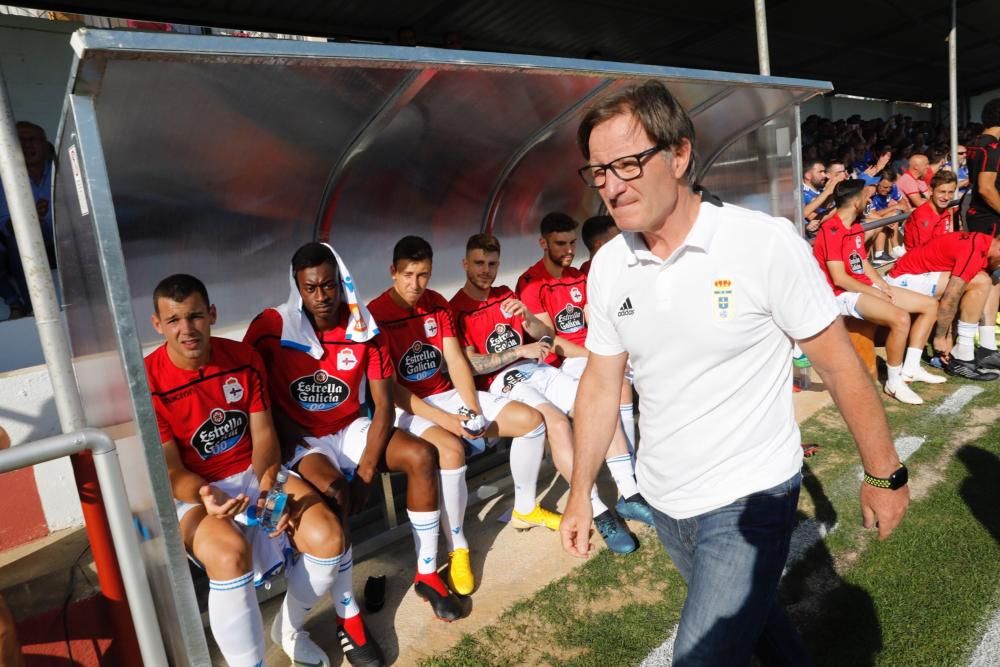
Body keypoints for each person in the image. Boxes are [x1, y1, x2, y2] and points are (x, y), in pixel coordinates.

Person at [561, 80, 909, 666]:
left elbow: (838, 363)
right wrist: (579, 494)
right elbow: (599, 383)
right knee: (763, 631)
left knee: (700, 657)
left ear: (679, 155)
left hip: (751, 496)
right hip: (667, 497)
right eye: (597, 172)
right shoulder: (609, 265)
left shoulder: (762, 243)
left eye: (626, 164)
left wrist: (883, 474)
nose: (612, 187)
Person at [244, 241, 459, 632]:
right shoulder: (270, 327)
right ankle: (348, 613)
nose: (322, 296)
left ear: (341, 283)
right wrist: (280, 433)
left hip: (348, 427)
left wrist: (366, 471)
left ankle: (427, 574)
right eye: (311, 288)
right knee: (335, 492)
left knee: (423, 456)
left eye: (329, 285)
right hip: (304, 439)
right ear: (297, 286)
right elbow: (248, 385)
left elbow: (382, 405)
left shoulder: (363, 326)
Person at [145, 274, 356, 667]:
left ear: (211, 314)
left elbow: (263, 437)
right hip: (194, 491)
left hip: (251, 472)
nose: (186, 329)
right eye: (173, 320)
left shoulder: (243, 358)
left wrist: (268, 487)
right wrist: (205, 495)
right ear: (158, 325)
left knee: (328, 538)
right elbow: (171, 471)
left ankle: (290, 629)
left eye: (194, 316)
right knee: (229, 555)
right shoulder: (148, 382)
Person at [367, 236, 555, 598]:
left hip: (447, 394)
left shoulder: (436, 304)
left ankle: (526, 508)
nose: (415, 284)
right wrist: (447, 420)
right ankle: (459, 546)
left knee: (532, 422)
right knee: (451, 450)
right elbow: (391, 390)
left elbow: (455, 360)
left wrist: (472, 408)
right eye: (408, 274)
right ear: (393, 272)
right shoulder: (376, 315)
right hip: (408, 408)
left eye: (423, 275)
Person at [451, 233, 650, 554]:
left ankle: (630, 494)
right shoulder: (456, 309)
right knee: (557, 423)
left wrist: (528, 319)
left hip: (538, 369)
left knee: (600, 402)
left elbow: (545, 336)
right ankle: (598, 511)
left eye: (491, 263)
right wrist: (519, 350)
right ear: (465, 264)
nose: (485, 270)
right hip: (505, 381)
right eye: (478, 263)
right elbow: (472, 366)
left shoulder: (506, 294)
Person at [516, 213, 642, 457]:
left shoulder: (578, 276)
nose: (569, 250)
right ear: (543, 244)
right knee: (621, 386)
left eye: (572, 243)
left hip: (590, 353)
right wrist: (597, 356)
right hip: (563, 362)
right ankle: (631, 465)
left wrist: (614, 352)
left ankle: (642, 457)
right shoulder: (531, 283)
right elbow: (549, 341)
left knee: (651, 374)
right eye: (561, 244)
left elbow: (595, 322)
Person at [813, 179, 944, 404]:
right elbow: (839, 278)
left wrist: (881, 284)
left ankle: (910, 369)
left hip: (861, 287)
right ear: (855, 202)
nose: (869, 200)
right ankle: (894, 382)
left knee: (930, 305)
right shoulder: (832, 229)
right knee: (900, 318)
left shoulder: (854, 226)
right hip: (840, 294)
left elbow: (860, 261)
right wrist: (874, 292)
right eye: (865, 196)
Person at [886, 231, 1000, 379]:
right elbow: (950, 298)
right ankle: (963, 356)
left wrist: (949, 336)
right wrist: (940, 337)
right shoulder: (973, 251)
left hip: (916, 274)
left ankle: (983, 350)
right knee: (981, 281)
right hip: (901, 280)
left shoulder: (985, 243)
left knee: (989, 279)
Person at [0, 121, 56, 317]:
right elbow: (7, 225)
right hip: (31, 245)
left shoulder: (62, 170)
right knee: (19, 241)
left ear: (45, 143)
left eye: (31, 140)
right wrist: (30, 215)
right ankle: (33, 307)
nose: (26, 146)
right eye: (19, 141)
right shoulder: (5, 180)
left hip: (66, 238)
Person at [965, 100, 1000, 360]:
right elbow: (987, 188)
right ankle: (984, 343)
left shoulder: (976, 143)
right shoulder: (991, 148)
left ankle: (986, 341)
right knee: (991, 277)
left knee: (991, 277)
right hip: (989, 219)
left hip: (981, 217)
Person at [902, 170, 957, 253]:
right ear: (931, 190)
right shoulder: (923, 216)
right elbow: (924, 253)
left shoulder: (945, 210)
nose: (946, 197)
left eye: (950, 192)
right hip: (921, 261)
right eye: (942, 192)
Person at [868, 169, 911, 265]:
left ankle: (892, 250)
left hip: (882, 218)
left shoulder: (892, 188)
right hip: (869, 220)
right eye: (884, 187)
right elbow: (873, 215)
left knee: (894, 215)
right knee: (892, 215)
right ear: (877, 183)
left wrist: (907, 217)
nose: (887, 190)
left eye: (889, 187)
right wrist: (894, 207)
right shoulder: (871, 191)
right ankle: (882, 253)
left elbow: (903, 202)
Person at [802, 160, 843, 238]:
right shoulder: (802, 193)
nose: (824, 175)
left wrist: (832, 190)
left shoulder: (820, 190)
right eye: (820, 172)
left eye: (824, 172)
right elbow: (815, 218)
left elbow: (826, 206)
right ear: (808, 175)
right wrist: (845, 204)